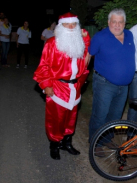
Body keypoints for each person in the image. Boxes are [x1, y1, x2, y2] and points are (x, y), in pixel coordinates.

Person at [33, 12, 90, 160]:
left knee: (71, 118)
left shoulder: (79, 42)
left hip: (74, 88)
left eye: (74, 24)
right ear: (61, 26)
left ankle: (67, 143)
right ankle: (54, 145)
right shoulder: (52, 43)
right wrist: (46, 85)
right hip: (57, 87)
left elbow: (86, 57)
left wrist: (86, 38)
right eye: (67, 24)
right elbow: (43, 66)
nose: (71, 27)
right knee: (55, 120)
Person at [88, 8, 135, 156]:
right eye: (114, 21)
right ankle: (95, 143)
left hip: (124, 86)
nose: (117, 25)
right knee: (100, 114)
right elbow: (88, 55)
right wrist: (81, 75)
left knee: (115, 116)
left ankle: (107, 139)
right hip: (104, 83)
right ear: (109, 22)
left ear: (124, 23)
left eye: (120, 22)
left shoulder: (129, 35)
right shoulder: (100, 37)